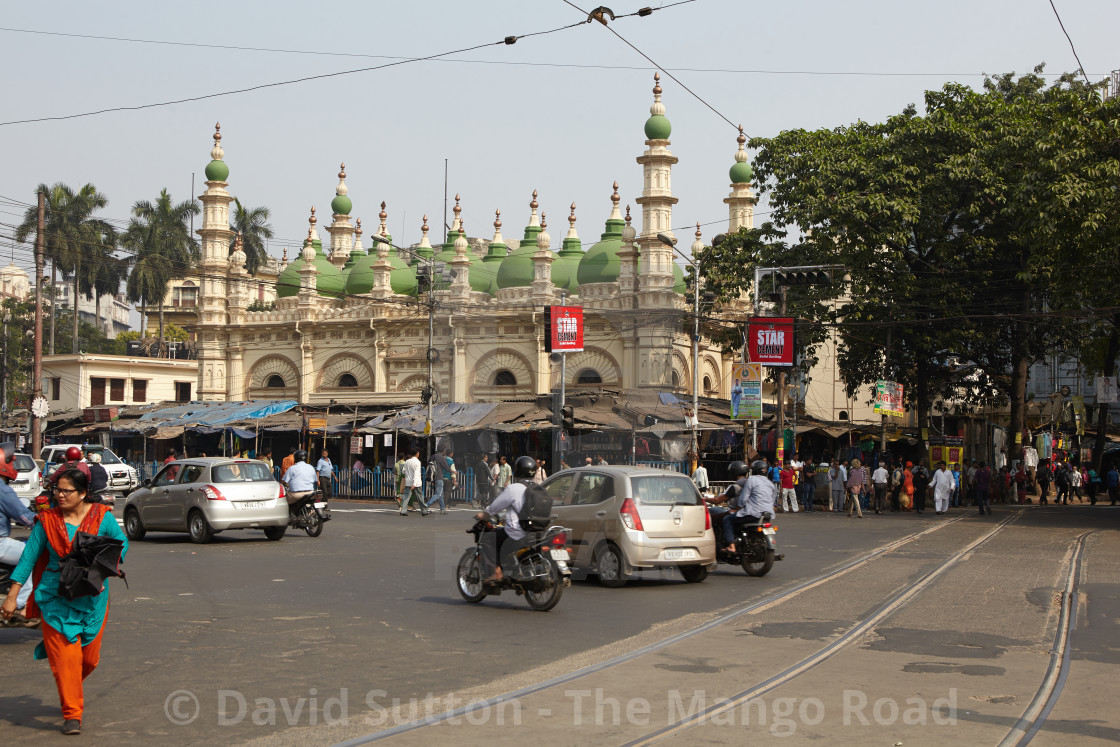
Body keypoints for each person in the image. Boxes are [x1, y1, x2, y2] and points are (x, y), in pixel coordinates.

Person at [2, 468, 128, 735]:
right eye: (57, 490)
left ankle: (69, 683)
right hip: (54, 596)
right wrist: (13, 595)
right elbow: (29, 558)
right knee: (67, 658)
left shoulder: (101, 517)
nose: (59, 495)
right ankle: (73, 714)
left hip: (92, 597)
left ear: (83, 494)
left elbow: (121, 543)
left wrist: (107, 561)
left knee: (89, 660)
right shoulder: (45, 521)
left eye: (66, 491)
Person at [476, 455, 537, 582]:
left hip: (517, 533)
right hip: (535, 532)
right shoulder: (538, 488)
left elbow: (495, 507)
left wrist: (484, 514)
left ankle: (497, 572)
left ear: (517, 471)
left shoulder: (514, 488)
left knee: (489, 538)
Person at [0, 447, 37, 627]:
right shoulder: (2, 490)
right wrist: (39, 523)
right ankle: (20, 604)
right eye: (11, 462)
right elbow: (22, 515)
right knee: (33, 556)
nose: (13, 465)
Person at [723, 460, 775, 554]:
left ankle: (731, 546)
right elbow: (773, 499)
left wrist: (736, 509)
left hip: (753, 513)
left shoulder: (751, 480)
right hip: (767, 514)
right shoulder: (770, 483)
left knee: (727, 519)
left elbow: (743, 499)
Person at [399, 449, 428, 516]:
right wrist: (414, 484)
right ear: (417, 453)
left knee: (406, 496)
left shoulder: (407, 461)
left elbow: (403, 471)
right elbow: (416, 473)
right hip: (416, 483)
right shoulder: (417, 462)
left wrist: (408, 476)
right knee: (420, 496)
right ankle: (424, 511)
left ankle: (403, 510)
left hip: (408, 482)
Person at [426, 447, 453, 514]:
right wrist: (452, 471)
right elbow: (446, 467)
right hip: (439, 477)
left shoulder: (433, 456)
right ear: (443, 450)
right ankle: (426, 505)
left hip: (434, 477)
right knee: (438, 494)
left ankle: (442, 508)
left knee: (441, 493)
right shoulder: (441, 457)